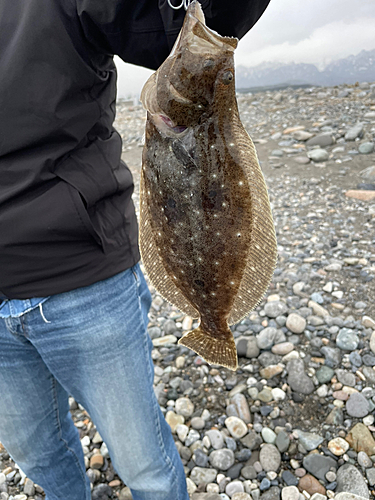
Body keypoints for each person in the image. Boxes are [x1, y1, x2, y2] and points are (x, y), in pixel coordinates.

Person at [0, 1, 271, 499]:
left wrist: (207, 22)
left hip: (79, 274)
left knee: (141, 462)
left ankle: (215, 320)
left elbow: (183, 22)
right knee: (37, 454)